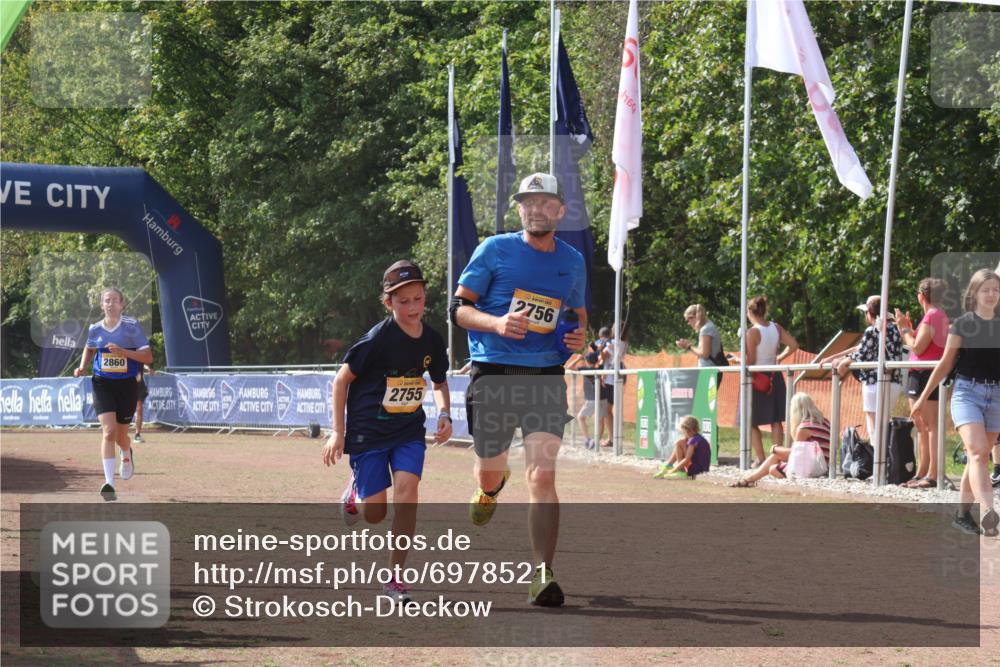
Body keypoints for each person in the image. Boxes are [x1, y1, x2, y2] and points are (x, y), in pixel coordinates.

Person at [451, 172, 587, 607]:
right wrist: (496, 323)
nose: (536, 209)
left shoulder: (572, 261)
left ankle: (542, 573)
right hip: (493, 373)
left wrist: (578, 337)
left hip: (545, 377)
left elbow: (578, 315)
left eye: (545, 202)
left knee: (543, 475)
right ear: (520, 209)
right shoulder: (494, 250)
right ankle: (491, 487)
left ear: (559, 211)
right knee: (489, 470)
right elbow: (458, 308)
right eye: (528, 202)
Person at [321, 260, 452, 603]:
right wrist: (339, 433)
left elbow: (438, 381)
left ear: (425, 298)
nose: (412, 308)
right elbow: (340, 381)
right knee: (375, 514)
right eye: (403, 301)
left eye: (418, 299)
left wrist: (445, 414)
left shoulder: (433, 341)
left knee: (408, 494)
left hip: (408, 430)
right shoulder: (377, 339)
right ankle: (355, 495)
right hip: (369, 434)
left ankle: (394, 579)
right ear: (389, 302)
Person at [911, 268, 999, 537]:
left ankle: (961, 515)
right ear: (974, 293)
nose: (992, 294)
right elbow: (944, 364)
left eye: (996, 289)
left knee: (980, 457)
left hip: (997, 395)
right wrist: (923, 397)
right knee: (977, 451)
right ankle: (989, 514)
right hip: (966, 393)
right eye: (986, 289)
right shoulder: (962, 324)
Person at [73, 287, 153, 501]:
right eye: (106, 301)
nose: (110, 304)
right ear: (102, 305)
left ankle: (126, 452)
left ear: (122, 304)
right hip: (102, 383)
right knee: (108, 432)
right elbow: (90, 348)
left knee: (120, 437)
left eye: (114, 300)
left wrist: (123, 352)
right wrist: (82, 367)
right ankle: (109, 483)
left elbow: (148, 357)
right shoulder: (95, 329)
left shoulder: (132, 327)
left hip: (127, 385)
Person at [820, 295, 903, 442]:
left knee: (874, 428)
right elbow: (859, 348)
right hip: (894, 382)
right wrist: (834, 358)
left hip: (874, 383)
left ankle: (877, 462)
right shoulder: (895, 330)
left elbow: (859, 353)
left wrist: (841, 363)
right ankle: (887, 460)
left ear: (869, 313)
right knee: (884, 425)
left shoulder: (872, 331)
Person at [895, 278, 949, 488]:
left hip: (926, 374)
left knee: (931, 426)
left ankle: (932, 474)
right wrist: (907, 328)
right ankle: (922, 472)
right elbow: (921, 344)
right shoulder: (933, 316)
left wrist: (905, 330)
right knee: (921, 426)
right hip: (920, 373)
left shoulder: (933, 315)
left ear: (921, 296)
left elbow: (916, 347)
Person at [730, 393, 830, 488]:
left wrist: (775, 449)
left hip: (813, 467)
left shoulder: (804, 428)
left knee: (773, 468)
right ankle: (749, 480)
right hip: (824, 464)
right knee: (776, 457)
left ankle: (749, 480)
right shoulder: (825, 423)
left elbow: (795, 454)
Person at [744, 296, 798, 465]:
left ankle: (761, 459)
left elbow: (751, 360)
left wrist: (739, 361)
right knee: (776, 420)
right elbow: (794, 344)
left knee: (751, 420)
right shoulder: (776, 327)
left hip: (757, 377)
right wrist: (779, 358)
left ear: (749, 312)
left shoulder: (752, 332)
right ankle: (776, 459)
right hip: (774, 376)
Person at [653, 415, 711, 479]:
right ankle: (668, 465)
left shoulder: (693, 441)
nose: (682, 433)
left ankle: (680, 470)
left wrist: (673, 470)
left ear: (687, 430)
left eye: (682, 430)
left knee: (679, 443)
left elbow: (687, 459)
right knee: (680, 442)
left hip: (696, 469)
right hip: (702, 467)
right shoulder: (697, 437)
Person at [568, 348, 604, 450]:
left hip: (592, 399)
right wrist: (599, 352)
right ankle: (596, 441)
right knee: (599, 420)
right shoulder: (600, 368)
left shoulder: (586, 370)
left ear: (587, 361)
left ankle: (588, 439)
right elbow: (601, 360)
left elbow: (569, 367)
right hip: (601, 398)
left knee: (580, 417)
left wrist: (578, 359)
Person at [676, 304, 726, 369]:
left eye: (688, 320)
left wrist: (688, 346)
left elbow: (705, 354)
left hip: (708, 371)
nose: (688, 323)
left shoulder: (706, 329)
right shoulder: (709, 326)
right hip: (710, 369)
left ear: (694, 317)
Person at [133, 363, 154, 443]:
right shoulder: (125, 352)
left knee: (139, 409)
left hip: (139, 385)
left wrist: (148, 368)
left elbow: (143, 362)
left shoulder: (139, 352)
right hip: (126, 383)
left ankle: (137, 434)